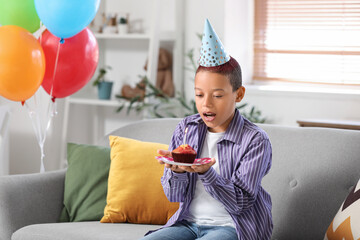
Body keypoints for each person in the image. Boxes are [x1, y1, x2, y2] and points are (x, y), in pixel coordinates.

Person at [141, 19, 272, 240]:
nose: (206, 104)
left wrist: (207, 173)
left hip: (233, 227)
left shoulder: (254, 140)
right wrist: (177, 170)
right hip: (188, 224)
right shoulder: (186, 128)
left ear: (238, 95)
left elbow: (240, 203)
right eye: (199, 95)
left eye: (217, 95)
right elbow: (174, 195)